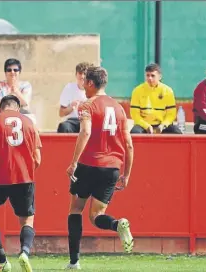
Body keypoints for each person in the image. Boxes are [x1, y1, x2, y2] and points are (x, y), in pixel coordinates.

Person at [65, 66, 134, 270]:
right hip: (112, 167)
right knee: (96, 215)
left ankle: (74, 262)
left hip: (88, 164)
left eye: (85, 82)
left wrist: (74, 161)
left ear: (91, 84)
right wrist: (127, 174)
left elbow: (85, 132)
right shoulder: (119, 107)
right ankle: (116, 224)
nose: (84, 86)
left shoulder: (87, 105)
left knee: (75, 210)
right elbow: (129, 143)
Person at [0, 95, 42, 272]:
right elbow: (38, 159)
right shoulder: (30, 123)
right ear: (18, 108)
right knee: (27, 218)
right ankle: (24, 252)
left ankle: (2, 261)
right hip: (25, 178)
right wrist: (25, 171)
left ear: (1, 108)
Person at [130, 63, 181, 134]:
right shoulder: (137, 91)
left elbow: (171, 114)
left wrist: (163, 125)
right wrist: (146, 126)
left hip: (162, 125)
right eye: (147, 75)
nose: (149, 78)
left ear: (159, 77)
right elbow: (135, 115)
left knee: (176, 132)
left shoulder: (168, 91)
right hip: (143, 125)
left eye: (153, 76)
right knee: (134, 132)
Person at [57, 62, 93, 133]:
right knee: (64, 127)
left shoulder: (93, 89)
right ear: (76, 75)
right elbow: (61, 113)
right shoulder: (69, 88)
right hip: (73, 121)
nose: (82, 78)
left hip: (88, 121)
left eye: (84, 75)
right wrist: (71, 107)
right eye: (80, 74)